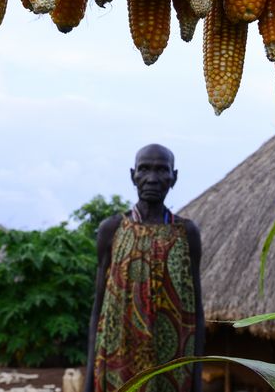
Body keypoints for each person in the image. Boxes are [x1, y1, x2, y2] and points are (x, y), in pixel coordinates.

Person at [85, 144, 204, 392]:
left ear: (174, 177)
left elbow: (197, 312)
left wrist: (196, 379)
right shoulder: (112, 229)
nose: (152, 178)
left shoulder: (186, 233)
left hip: (172, 365)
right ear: (133, 175)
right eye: (144, 169)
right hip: (118, 362)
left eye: (162, 170)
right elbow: (98, 308)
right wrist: (89, 380)